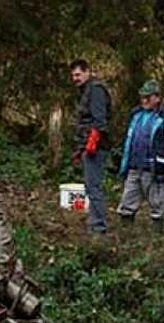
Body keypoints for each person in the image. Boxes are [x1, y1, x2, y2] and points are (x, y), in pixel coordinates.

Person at [117, 80, 164, 232]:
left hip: (155, 169)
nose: (144, 100)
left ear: (157, 98)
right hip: (135, 167)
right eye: (142, 97)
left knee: (157, 205)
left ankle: (157, 239)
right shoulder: (137, 116)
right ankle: (125, 236)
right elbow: (129, 143)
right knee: (127, 203)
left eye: (148, 97)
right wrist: (124, 165)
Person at [70, 59, 112, 234]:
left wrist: (91, 145)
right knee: (90, 185)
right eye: (73, 75)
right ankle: (96, 222)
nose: (75, 78)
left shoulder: (95, 90)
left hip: (95, 146)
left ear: (88, 72)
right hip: (88, 144)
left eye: (78, 74)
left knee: (94, 186)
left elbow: (99, 121)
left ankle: (99, 226)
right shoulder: (86, 91)